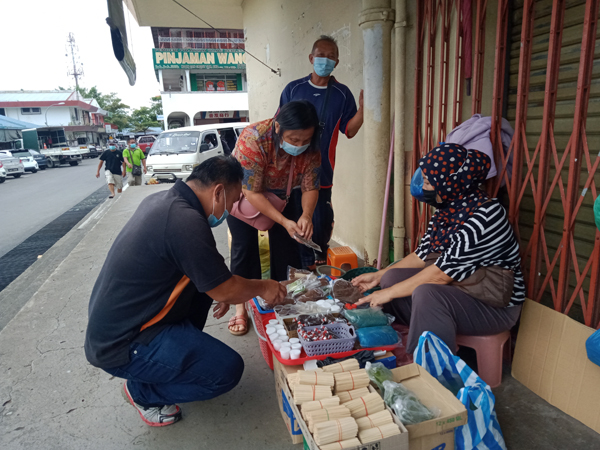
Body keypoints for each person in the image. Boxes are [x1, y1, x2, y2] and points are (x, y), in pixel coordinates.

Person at [85, 156, 287, 427]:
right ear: (217, 191)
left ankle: (155, 369)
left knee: (201, 297)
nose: (234, 207)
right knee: (226, 371)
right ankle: (143, 392)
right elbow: (225, 288)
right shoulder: (183, 220)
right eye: (235, 198)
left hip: (121, 326)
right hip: (123, 343)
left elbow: (213, 274)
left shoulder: (166, 201)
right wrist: (261, 286)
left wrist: (220, 290)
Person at [352, 144, 525, 354]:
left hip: (494, 307)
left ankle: (429, 366)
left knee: (428, 294)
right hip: (461, 289)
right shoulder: (449, 209)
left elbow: (441, 275)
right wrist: (379, 276)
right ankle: (397, 340)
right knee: (393, 277)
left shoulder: (486, 216)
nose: (423, 188)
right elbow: (422, 254)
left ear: (450, 183)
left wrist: (387, 294)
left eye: (427, 182)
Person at [227, 100, 321, 335]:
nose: (300, 145)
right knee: (244, 250)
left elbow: (310, 186)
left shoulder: (312, 146)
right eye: (294, 140)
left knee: (288, 250)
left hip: (284, 197)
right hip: (244, 198)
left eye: (305, 141)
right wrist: (283, 221)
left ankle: (283, 301)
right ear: (278, 128)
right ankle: (240, 308)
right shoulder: (253, 138)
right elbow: (251, 191)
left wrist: (306, 216)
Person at [279, 35, 364, 269]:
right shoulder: (293, 89)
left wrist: (365, 111)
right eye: (320, 55)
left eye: (331, 56)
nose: (325, 60)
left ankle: (315, 273)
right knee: (291, 227)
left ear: (336, 62)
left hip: (322, 175)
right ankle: (293, 271)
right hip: (288, 176)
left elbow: (349, 130)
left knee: (320, 229)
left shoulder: (342, 94)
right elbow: (280, 126)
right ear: (311, 58)